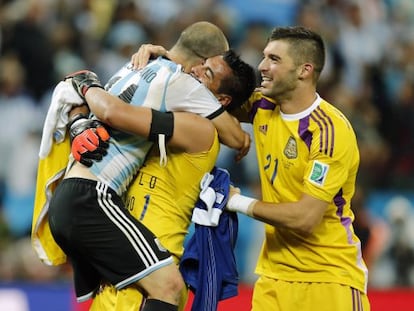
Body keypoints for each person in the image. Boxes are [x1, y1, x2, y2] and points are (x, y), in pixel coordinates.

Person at [41, 21, 254, 311]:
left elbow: (234, 134)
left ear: (221, 99)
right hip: (118, 234)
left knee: (169, 287)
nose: (195, 72)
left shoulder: (193, 121)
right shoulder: (170, 87)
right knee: (168, 287)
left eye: (207, 71)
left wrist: (83, 85)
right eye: (200, 64)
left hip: (142, 255)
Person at [223, 26, 371, 310]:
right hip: (274, 278)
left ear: (304, 70)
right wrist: (171, 58)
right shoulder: (262, 106)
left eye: (274, 59)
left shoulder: (328, 131)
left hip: (329, 279)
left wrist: (236, 201)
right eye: (265, 56)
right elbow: (208, 95)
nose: (262, 66)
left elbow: (305, 218)